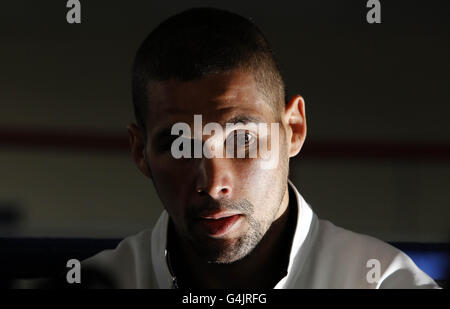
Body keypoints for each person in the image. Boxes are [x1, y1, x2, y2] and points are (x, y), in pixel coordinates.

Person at [82, 7, 439, 289]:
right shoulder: (97, 281)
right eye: (180, 144)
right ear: (140, 152)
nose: (213, 181)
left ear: (293, 130)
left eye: (242, 139)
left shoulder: (383, 283)